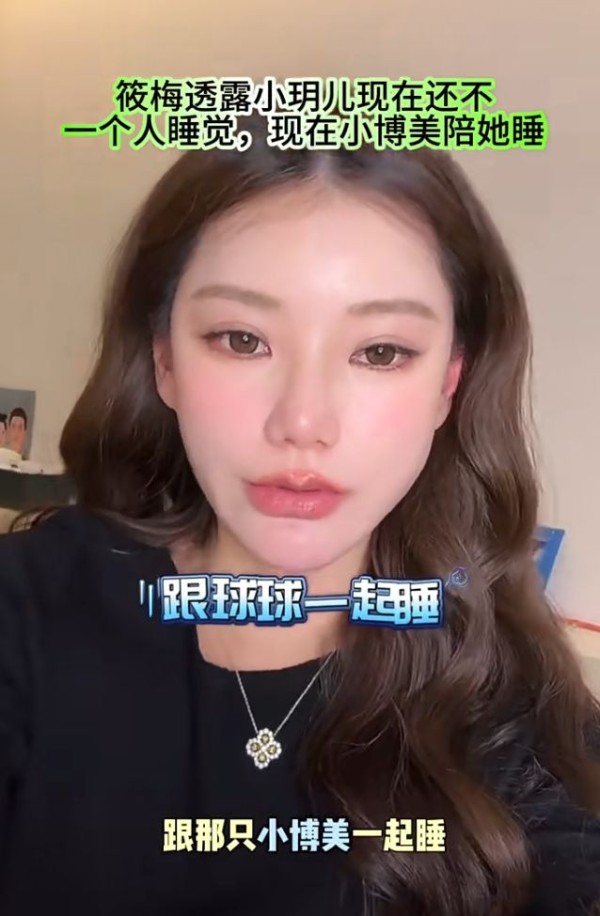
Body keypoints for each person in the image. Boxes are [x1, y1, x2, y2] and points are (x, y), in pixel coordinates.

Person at [0, 117, 598, 916]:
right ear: (165, 359)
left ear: (448, 386)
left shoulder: (512, 694)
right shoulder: (30, 609)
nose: (303, 422)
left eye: (380, 351)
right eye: (241, 339)